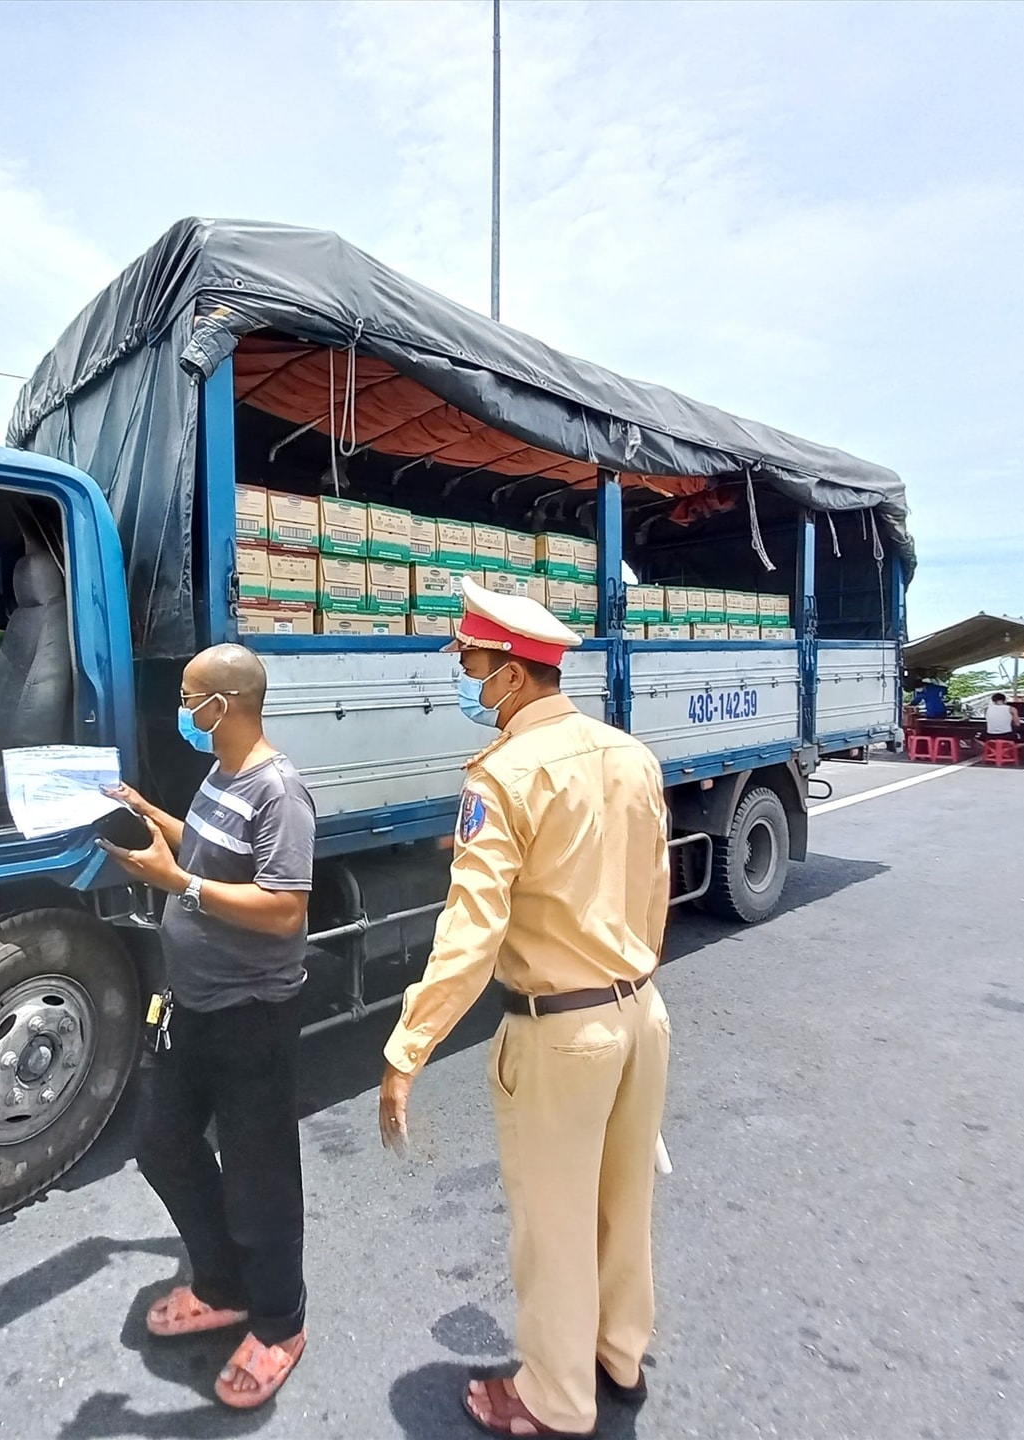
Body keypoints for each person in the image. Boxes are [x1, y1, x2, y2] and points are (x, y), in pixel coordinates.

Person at [377, 579, 672, 1438]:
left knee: (552, 1225)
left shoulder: (502, 777)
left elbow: (469, 936)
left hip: (561, 1035)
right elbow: (655, 894)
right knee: (623, 1203)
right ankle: (619, 1350)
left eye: (471, 664)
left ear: (509, 675)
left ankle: (554, 1399)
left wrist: (407, 1049)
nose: (465, 680)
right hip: (640, 1016)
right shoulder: (630, 754)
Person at [98, 643, 317, 1411]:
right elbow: (203, 847)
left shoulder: (278, 790)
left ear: (227, 703)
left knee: (261, 1179)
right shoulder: (221, 774)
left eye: (192, 698)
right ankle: (222, 1283)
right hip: (191, 1007)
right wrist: (140, 810)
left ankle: (281, 1323)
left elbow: (286, 907)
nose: (182, 711)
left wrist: (176, 883)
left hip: (251, 1015)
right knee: (161, 1144)